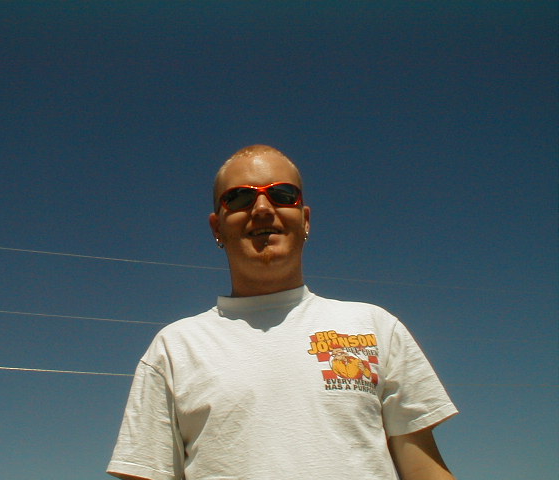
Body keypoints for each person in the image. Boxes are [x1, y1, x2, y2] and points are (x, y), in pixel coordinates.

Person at [107, 145, 458, 480]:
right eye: (240, 198)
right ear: (217, 228)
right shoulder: (174, 348)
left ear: (305, 220)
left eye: (283, 194)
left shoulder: (376, 327)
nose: (262, 208)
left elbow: (424, 468)